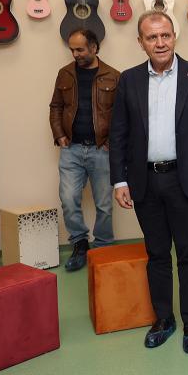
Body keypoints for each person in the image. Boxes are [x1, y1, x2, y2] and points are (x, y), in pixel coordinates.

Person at [110, 11, 188, 355]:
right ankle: (163, 319)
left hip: (184, 179)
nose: (160, 43)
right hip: (143, 181)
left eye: (165, 35)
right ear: (141, 42)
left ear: (174, 37)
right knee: (157, 254)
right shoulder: (128, 80)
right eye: (152, 37)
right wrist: (119, 181)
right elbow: (118, 135)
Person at [49, 28, 119, 271]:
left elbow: (122, 115)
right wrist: (59, 135)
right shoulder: (65, 74)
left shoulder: (114, 76)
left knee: (104, 204)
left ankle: (103, 248)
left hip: (102, 151)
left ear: (94, 47)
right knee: (69, 199)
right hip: (72, 150)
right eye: (72, 50)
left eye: (80, 49)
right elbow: (56, 106)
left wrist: (112, 142)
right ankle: (80, 244)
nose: (75, 54)